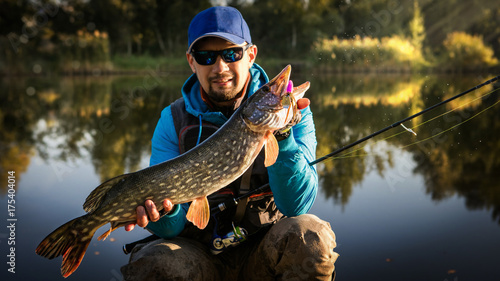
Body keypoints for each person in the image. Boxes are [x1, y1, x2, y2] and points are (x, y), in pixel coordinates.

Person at [120, 6, 338, 281]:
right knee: (155, 264)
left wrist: (283, 137)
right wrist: (163, 213)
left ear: (251, 55)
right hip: (197, 253)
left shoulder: (295, 113)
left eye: (231, 53)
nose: (219, 67)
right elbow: (171, 229)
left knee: (310, 238)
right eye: (206, 56)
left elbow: (296, 206)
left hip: (264, 248)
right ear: (191, 61)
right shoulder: (172, 120)